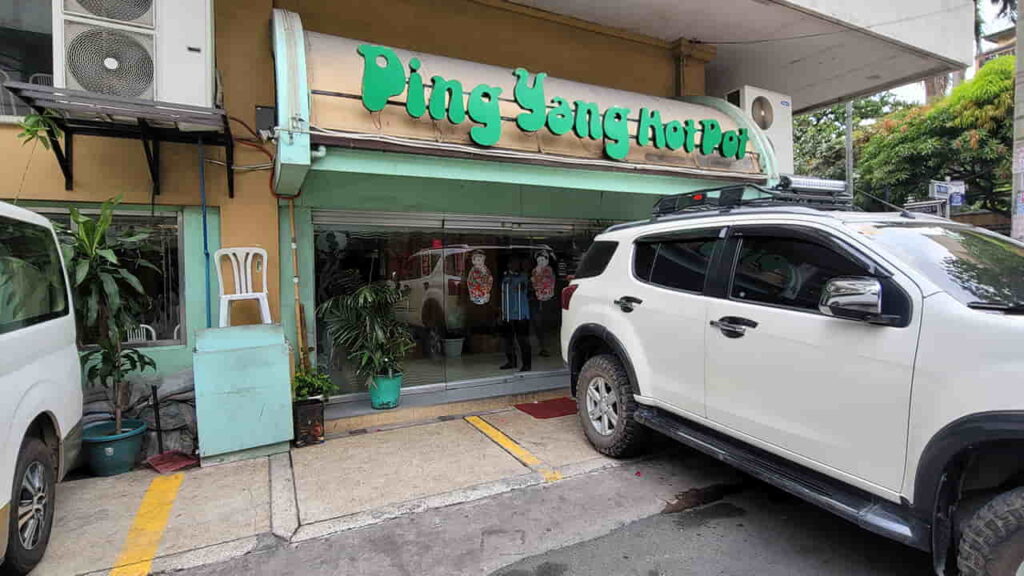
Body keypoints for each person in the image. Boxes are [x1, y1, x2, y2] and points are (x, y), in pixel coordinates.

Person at [500, 255, 531, 371]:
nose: (516, 265)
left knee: (523, 340)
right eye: (513, 263)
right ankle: (511, 361)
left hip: (521, 314)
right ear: (509, 265)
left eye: (518, 263)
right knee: (508, 340)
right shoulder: (504, 277)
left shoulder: (524, 277)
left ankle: (527, 364)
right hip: (507, 313)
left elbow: (525, 288)